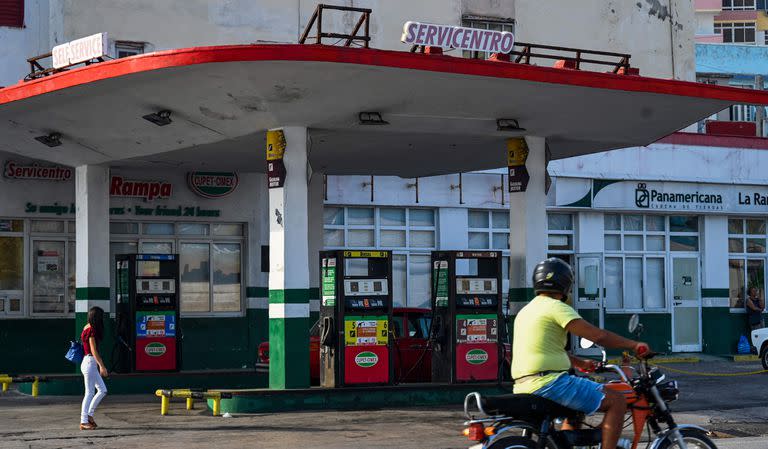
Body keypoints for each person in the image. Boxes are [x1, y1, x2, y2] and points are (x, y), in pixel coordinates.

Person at [512, 258, 650, 449]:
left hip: (524, 384)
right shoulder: (556, 307)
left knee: (576, 411)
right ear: (566, 283)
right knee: (617, 400)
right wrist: (634, 345)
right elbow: (599, 336)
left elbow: (545, 348)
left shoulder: (526, 311)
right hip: (551, 383)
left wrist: (578, 363)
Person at [79, 306, 108, 430]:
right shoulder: (91, 330)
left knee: (102, 390)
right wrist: (102, 366)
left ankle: (89, 416)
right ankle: (84, 421)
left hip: (88, 362)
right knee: (90, 393)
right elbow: (93, 350)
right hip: (90, 362)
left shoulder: (86, 327)